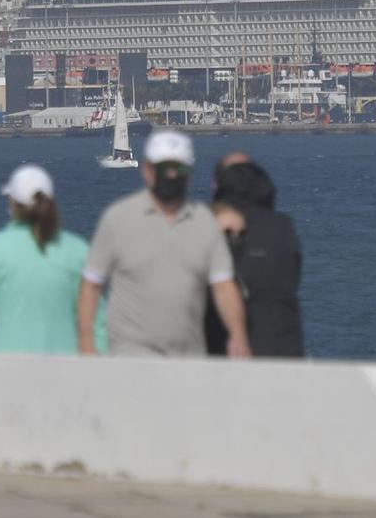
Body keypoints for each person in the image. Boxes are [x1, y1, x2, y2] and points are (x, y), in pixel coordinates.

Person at [78, 130, 249, 358]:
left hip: (188, 360)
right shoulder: (118, 219)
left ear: (189, 174)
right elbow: (91, 284)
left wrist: (238, 336)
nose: (170, 176)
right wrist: (86, 344)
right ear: (147, 171)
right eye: (163, 169)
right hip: (130, 358)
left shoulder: (205, 224)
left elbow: (224, 287)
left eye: (177, 169)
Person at [0, 165, 102, 354]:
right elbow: (99, 322)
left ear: (11, 202)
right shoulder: (78, 251)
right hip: (65, 371)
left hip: (6, 369)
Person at [203, 159, 304, 359]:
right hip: (280, 347)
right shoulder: (282, 227)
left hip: (220, 349)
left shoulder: (206, 226)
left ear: (217, 185)